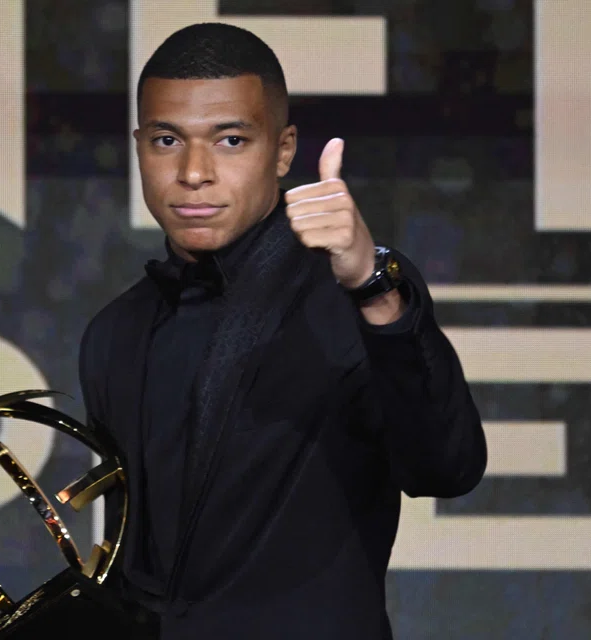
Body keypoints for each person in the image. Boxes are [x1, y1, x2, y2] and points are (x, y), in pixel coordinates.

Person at [79, 22, 487, 640]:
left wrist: (370, 287)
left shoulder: (353, 295)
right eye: (167, 140)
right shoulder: (114, 334)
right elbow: (132, 573)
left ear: (284, 149)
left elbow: (445, 469)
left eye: (231, 140)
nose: (193, 172)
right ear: (139, 147)